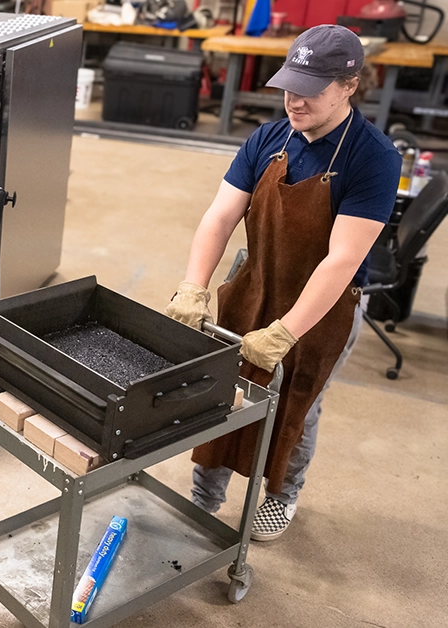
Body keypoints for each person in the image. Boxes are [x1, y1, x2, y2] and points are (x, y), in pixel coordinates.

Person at [165, 25, 400, 541]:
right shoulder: (269, 138)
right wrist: (194, 285)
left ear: (349, 86)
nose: (294, 101)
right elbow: (220, 216)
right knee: (226, 391)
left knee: (297, 404)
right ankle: (205, 495)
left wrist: (287, 331)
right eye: (290, 86)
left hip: (323, 307)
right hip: (256, 283)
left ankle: (281, 494)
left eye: (310, 90)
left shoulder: (374, 158)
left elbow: (342, 260)